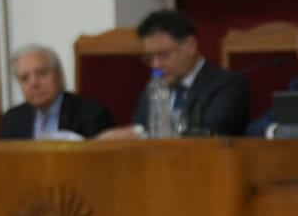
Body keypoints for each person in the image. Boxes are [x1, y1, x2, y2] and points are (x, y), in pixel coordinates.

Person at [97, 9, 249, 138]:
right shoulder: (154, 87)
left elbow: (209, 132)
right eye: (149, 58)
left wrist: (141, 135)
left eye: (164, 55)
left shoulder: (227, 84)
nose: (156, 65)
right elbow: (140, 125)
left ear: (191, 46)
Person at [0, 45, 113, 139]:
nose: (33, 84)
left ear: (60, 76)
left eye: (42, 73)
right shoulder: (12, 119)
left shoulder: (92, 115)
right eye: (24, 78)